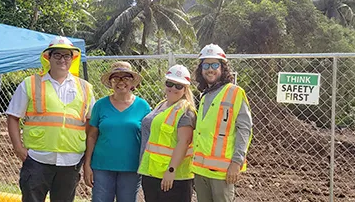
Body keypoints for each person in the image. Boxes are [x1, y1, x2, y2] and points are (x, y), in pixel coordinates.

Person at [6, 36, 95, 202]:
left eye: (67, 55)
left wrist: (86, 158)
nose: (62, 59)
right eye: (58, 55)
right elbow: (13, 116)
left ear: (73, 58)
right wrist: (18, 148)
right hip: (38, 159)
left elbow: (91, 124)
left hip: (71, 161)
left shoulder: (85, 88)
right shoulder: (30, 83)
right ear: (48, 57)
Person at [191, 44, 253, 202]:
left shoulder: (235, 92)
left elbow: (244, 130)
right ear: (201, 69)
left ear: (222, 68)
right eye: (206, 65)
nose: (210, 69)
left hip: (222, 171)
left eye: (214, 65)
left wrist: (236, 162)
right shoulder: (204, 96)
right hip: (201, 169)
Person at [83, 61, 151, 202]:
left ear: (132, 82)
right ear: (110, 82)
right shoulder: (100, 105)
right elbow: (92, 136)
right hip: (102, 167)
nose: (121, 82)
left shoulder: (143, 106)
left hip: (131, 167)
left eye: (126, 77)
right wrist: (87, 164)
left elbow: (148, 138)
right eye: (116, 78)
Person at [138, 64, 197, 202]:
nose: (173, 88)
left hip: (173, 177)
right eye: (170, 83)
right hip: (152, 172)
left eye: (178, 86)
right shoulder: (162, 104)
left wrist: (171, 171)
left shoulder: (186, 111)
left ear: (185, 89)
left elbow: (185, 142)